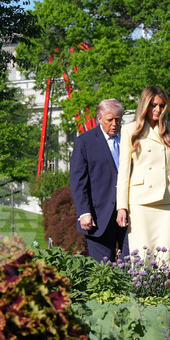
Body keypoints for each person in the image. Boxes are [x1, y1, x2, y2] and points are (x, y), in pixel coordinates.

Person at [116, 86, 170, 268]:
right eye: (153, 105)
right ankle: (142, 294)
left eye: (161, 105)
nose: (157, 110)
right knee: (141, 253)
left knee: (166, 256)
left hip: (168, 201)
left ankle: (166, 293)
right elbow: (124, 172)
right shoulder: (129, 130)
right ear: (145, 105)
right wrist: (122, 207)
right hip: (140, 202)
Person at [70, 99, 129, 262]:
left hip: (128, 216)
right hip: (98, 218)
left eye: (118, 119)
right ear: (99, 119)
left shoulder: (129, 140)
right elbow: (78, 181)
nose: (114, 123)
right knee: (102, 271)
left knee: (132, 269)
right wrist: (84, 212)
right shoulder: (84, 142)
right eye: (110, 119)